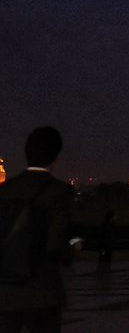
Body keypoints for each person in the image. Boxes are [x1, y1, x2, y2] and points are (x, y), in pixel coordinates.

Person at [0, 127, 75, 333]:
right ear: (55, 156)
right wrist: (73, 250)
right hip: (42, 292)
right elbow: (55, 244)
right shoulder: (60, 192)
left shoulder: (5, 190)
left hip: (6, 292)